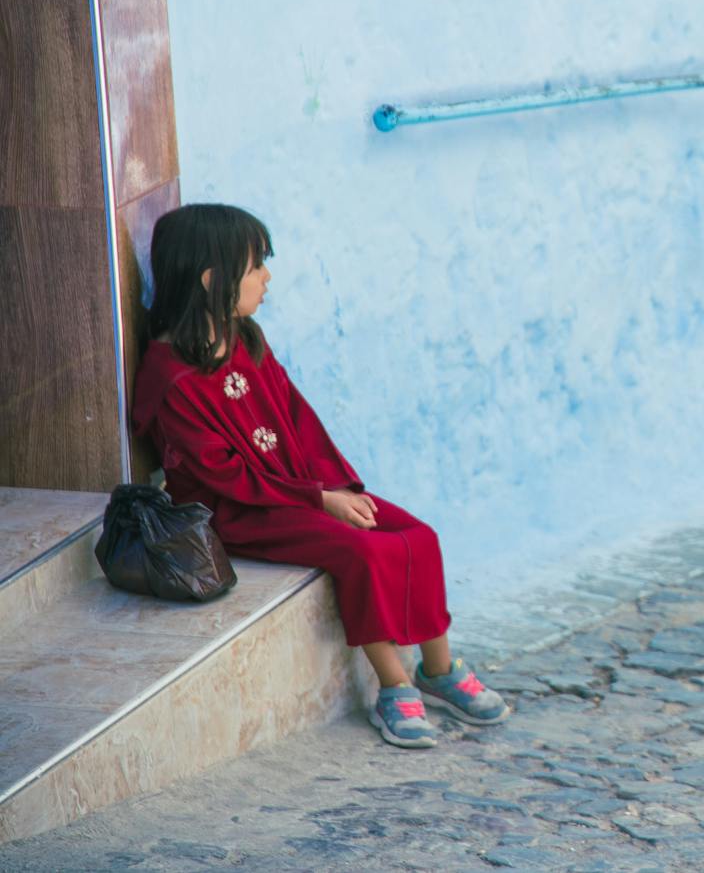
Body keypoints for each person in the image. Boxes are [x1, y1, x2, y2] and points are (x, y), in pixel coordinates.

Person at [131, 203, 509, 749]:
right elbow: (222, 473)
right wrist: (318, 500)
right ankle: (394, 683)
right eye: (255, 265)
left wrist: (336, 487)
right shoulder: (172, 376)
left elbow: (298, 421)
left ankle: (439, 669)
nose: (267, 277)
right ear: (212, 279)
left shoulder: (246, 339)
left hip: (299, 489)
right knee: (364, 551)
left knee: (418, 536)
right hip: (239, 512)